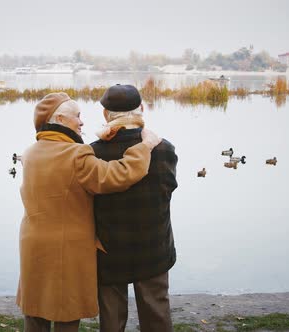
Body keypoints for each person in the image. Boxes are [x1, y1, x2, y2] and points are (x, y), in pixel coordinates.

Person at [16, 92, 162, 332]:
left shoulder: (31, 153)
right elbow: (118, 175)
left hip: (32, 243)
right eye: (78, 116)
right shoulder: (76, 154)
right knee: (65, 313)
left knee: (35, 311)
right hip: (67, 248)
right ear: (61, 119)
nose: (82, 122)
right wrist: (145, 146)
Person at [91, 84, 178, 332]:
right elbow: (168, 189)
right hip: (153, 245)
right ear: (141, 108)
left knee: (111, 318)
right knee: (156, 314)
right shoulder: (163, 149)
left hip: (108, 248)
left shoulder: (93, 152)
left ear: (106, 114)